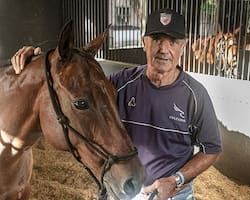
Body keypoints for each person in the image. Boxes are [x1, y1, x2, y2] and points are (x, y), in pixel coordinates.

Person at [11, 8, 221, 200]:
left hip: (173, 194)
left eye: (173, 42)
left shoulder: (195, 96)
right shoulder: (120, 84)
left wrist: (176, 179)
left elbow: (211, 149)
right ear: (144, 42)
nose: (164, 49)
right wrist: (37, 63)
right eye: (157, 39)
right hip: (124, 190)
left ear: (183, 47)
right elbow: (73, 90)